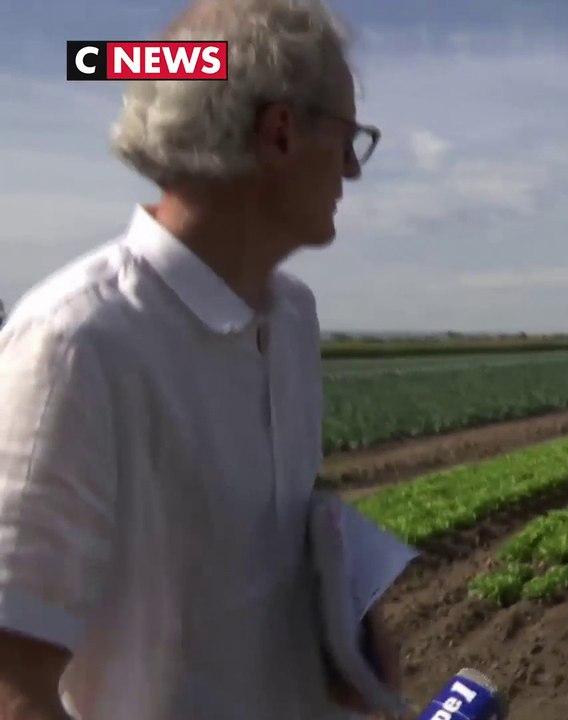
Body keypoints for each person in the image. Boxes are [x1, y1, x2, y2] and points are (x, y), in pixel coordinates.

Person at [0, 1, 398, 718]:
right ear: (279, 133)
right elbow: (13, 686)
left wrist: (340, 628)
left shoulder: (292, 318)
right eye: (348, 138)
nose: (352, 170)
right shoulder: (78, 343)